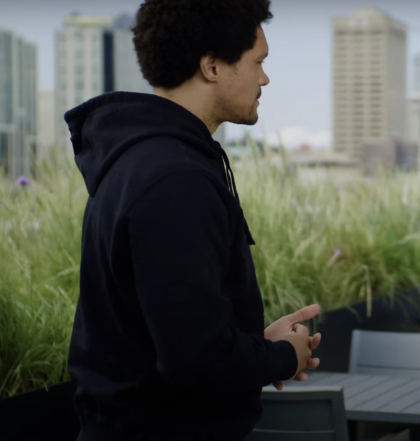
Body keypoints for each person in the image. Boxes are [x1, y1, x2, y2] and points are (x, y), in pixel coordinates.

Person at [65, 1, 321, 440]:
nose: (265, 78)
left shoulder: (140, 163)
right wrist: (282, 357)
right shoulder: (175, 180)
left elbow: (168, 333)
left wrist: (259, 345)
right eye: (257, 62)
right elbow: (195, 359)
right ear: (212, 66)